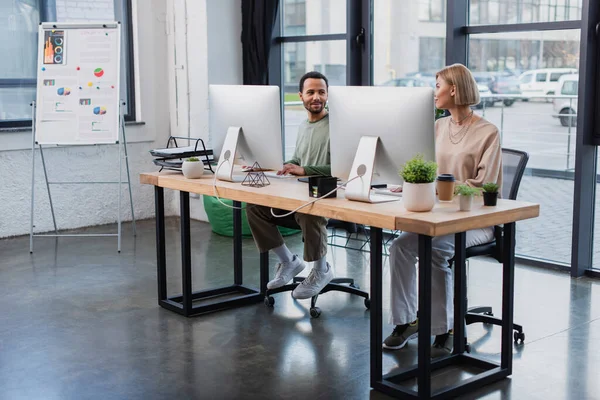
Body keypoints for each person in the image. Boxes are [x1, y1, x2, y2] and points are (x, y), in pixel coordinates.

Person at [383, 64, 502, 357]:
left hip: (475, 221)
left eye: (437, 86)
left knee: (436, 249)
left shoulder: (488, 132)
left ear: (453, 89)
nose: (433, 93)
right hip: (438, 217)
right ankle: (407, 320)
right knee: (399, 247)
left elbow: (486, 185)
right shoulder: (437, 126)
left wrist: (438, 188)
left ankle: (444, 327)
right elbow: (427, 171)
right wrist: (413, 184)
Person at [246, 71, 333, 300]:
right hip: (300, 194)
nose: (316, 97)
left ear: (327, 95)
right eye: (311, 92)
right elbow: (298, 159)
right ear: (301, 96)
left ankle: (321, 270)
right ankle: (289, 262)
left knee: (309, 211)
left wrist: (305, 170)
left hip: (325, 196)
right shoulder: (304, 126)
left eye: (321, 92)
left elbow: (342, 170)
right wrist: (284, 165)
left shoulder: (336, 125)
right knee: (255, 206)